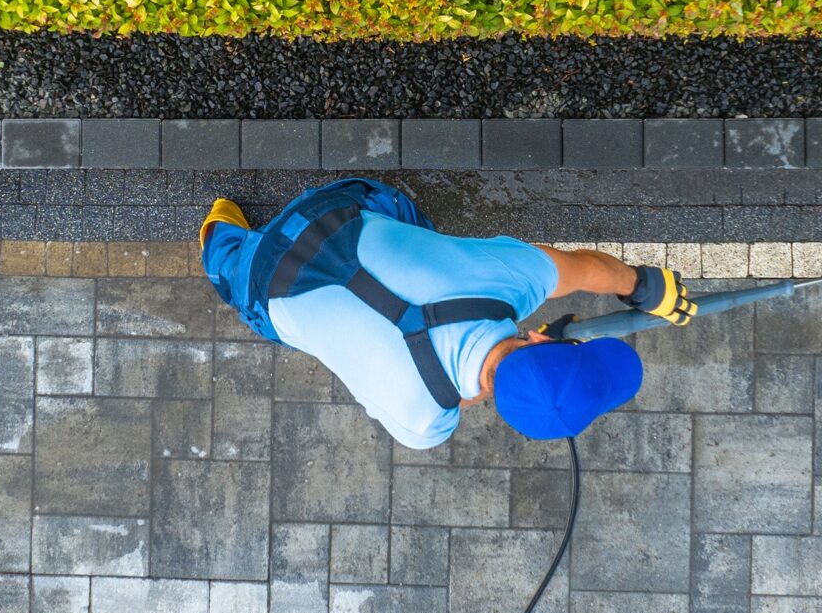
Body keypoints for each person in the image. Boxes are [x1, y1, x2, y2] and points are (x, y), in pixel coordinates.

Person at [198, 178, 696, 449]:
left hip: (330, 215)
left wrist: (644, 286)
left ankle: (224, 229)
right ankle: (220, 237)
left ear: (544, 340)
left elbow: (581, 268)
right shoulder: (423, 424)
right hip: (268, 290)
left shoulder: (508, 281)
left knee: (410, 222)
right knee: (230, 269)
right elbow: (462, 395)